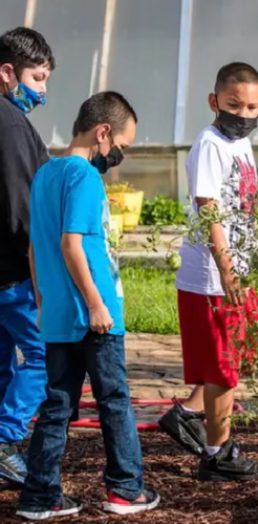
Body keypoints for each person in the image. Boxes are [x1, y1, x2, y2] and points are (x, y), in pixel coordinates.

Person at [18, 92, 160, 520]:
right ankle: (125, 488)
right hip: (94, 318)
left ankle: (40, 496)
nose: (119, 155)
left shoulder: (45, 175)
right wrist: (97, 305)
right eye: (122, 145)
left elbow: (33, 250)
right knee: (114, 399)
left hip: (60, 316)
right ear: (103, 133)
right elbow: (70, 244)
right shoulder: (83, 178)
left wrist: (44, 302)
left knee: (57, 405)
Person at [160, 62, 258, 482]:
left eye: (252, 108)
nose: (243, 116)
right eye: (233, 105)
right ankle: (216, 453)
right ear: (214, 102)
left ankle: (188, 413)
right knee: (224, 367)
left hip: (235, 269)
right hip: (211, 275)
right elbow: (210, 210)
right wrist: (226, 270)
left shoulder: (240, 144)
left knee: (241, 351)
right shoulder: (210, 144)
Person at [0, 27, 54, 484]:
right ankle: (5, 439)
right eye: (37, 79)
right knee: (43, 356)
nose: (42, 90)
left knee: (2, 362)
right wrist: (41, 275)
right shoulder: (13, 125)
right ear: (7, 73)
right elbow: (22, 212)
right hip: (14, 274)